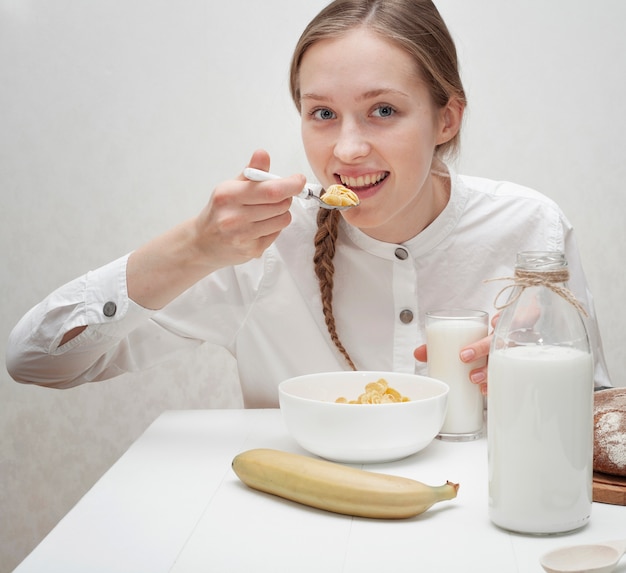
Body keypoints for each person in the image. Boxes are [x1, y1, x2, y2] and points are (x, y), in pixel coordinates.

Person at [6, 0, 611, 406]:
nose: (347, 148)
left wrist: (535, 378)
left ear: (446, 118)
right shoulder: (260, 246)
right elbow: (37, 360)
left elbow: (597, 418)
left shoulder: (532, 229)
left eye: (384, 110)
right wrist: (193, 249)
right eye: (322, 113)